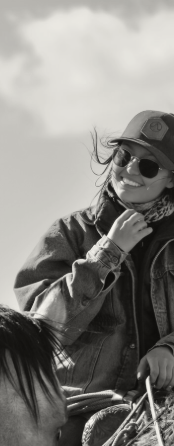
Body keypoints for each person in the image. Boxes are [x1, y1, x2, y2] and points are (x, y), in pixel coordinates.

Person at [16, 110, 174, 396]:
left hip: (162, 406)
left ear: (172, 179)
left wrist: (169, 349)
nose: (130, 170)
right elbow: (42, 331)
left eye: (149, 167)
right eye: (124, 157)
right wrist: (107, 254)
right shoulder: (70, 232)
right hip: (79, 405)